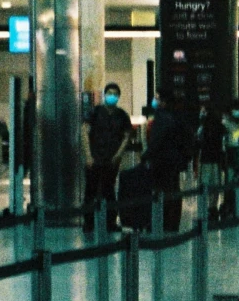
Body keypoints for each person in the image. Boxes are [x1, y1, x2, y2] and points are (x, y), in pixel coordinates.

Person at [83, 83, 134, 232]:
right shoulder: (95, 112)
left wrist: (118, 155)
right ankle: (89, 222)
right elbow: (84, 132)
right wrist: (88, 155)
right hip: (94, 157)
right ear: (105, 94)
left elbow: (126, 136)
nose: (112, 96)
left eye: (115, 94)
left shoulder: (122, 115)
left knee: (109, 190)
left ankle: (110, 222)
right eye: (109, 93)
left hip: (111, 160)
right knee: (90, 191)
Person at [142, 102, 196, 230]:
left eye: (157, 98)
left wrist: (146, 156)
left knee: (162, 191)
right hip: (176, 161)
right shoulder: (178, 117)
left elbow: (157, 141)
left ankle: (163, 222)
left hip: (162, 161)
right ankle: (172, 223)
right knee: (174, 190)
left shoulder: (162, 118)